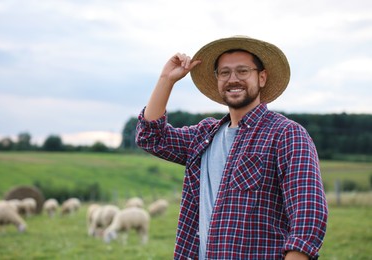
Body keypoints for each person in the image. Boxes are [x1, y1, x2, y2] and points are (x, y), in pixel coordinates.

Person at [135, 35, 328, 259]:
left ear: (262, 77)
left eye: (243, 71)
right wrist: (166, 79)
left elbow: (308, 214)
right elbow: (151, 137)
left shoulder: (286, 134)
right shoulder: (203, 136)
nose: (233, 79)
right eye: (224, 73)